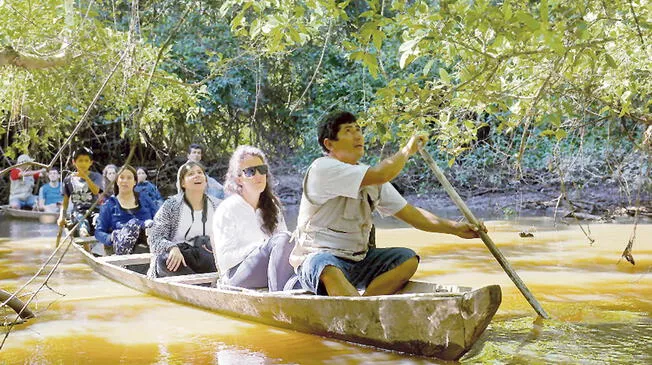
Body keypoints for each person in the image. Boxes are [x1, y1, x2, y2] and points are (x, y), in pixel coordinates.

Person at [290, 111, 486, 296]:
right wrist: (408, 150)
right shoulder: (322, 168)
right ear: (329, 144)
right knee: (326, 266)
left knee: (407, 259)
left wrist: (456, 228)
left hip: (359, 261)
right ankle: (356, 310)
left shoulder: (370, 180)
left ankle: (365, 304)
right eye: (348, 131)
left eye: (358, 129)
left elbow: (412, 214)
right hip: (317, 260)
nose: (358, 136)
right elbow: (383, 173)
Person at [212, 145, 296, 291]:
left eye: (262, 170)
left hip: (271, 271)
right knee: (281, 240)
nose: (258, 175)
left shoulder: (272, 206)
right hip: (236, 275)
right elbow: (225, 260)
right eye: (251, 171)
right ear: (239, 179)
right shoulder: (227, 209)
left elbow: (284, 246)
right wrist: (261, 247)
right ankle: (280, 300)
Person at [147, 161, 222, 278]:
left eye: (200, 173)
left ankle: (204, 286)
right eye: (191, 174)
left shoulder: (218, 205)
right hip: (180, 258)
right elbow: (155, 238)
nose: (197, 175)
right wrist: (172, 248)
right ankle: (204, 287)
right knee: (164, 260)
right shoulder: (171, 205)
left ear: (206, 180)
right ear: (182, 183)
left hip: (207, 257)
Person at [95, 165, 158, 255]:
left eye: (129, 178)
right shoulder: (109, 204)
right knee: (133, 223)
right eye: (122, 178)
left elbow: (159, 218)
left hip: (149, 243)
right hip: (124, 249)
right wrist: (111, 237)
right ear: (117, 181)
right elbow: (99, 232)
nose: (125, 181)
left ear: (135, 181)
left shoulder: (144, 198)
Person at [57, 147, 103, 244]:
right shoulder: (68, 179)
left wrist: (85, 177)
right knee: (83, 227)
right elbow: (65, 202)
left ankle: (101, 246)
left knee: (99, 222)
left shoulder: (96, 176)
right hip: (78, 212)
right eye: (80, 161)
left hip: (95, 210)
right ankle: (87, 247)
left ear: (91, 162)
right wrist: (62, 216)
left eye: (86, 161)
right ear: (74, 162)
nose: (83, 164)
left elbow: (95, 191)